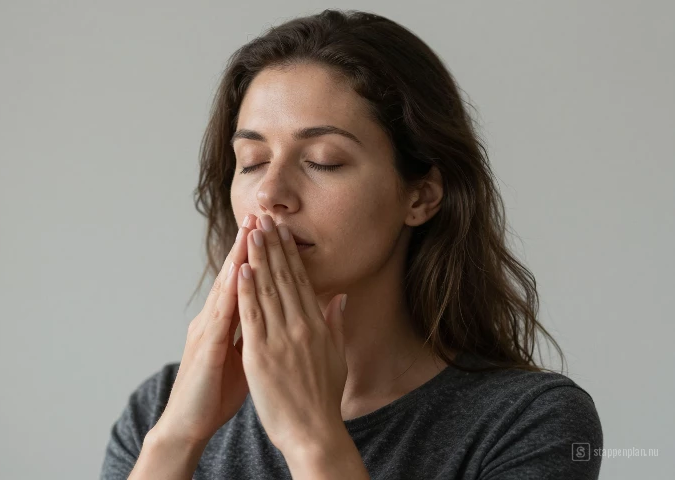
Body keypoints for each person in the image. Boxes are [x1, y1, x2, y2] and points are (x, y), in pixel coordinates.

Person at [101, 8, 603, 480]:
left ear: (421, 195)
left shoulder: (530, 421)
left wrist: (312, 440)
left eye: (323, 161)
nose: (270, 194)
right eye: (251, 161)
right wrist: (175, 440)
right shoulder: (159, 408)